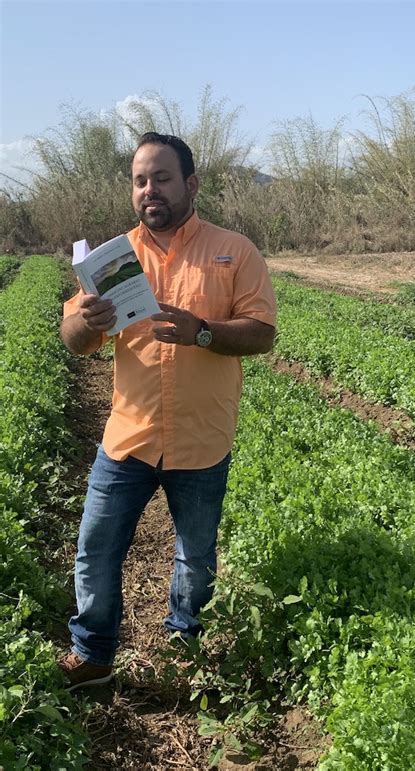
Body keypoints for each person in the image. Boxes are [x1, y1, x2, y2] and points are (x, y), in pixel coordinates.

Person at [58, 133, 277, 690]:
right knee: (96, 548)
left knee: (195, 557)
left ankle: (185, 643)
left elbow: (261, 333)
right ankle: (94, 653)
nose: (149, 190)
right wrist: (87, 320)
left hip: (202, 439)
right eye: (139, 180)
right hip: (128, 436)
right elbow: (74, 340)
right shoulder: (111, 260)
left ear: (191, 184)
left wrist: (201, 331)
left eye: (161, 178)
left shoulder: (234, 251)